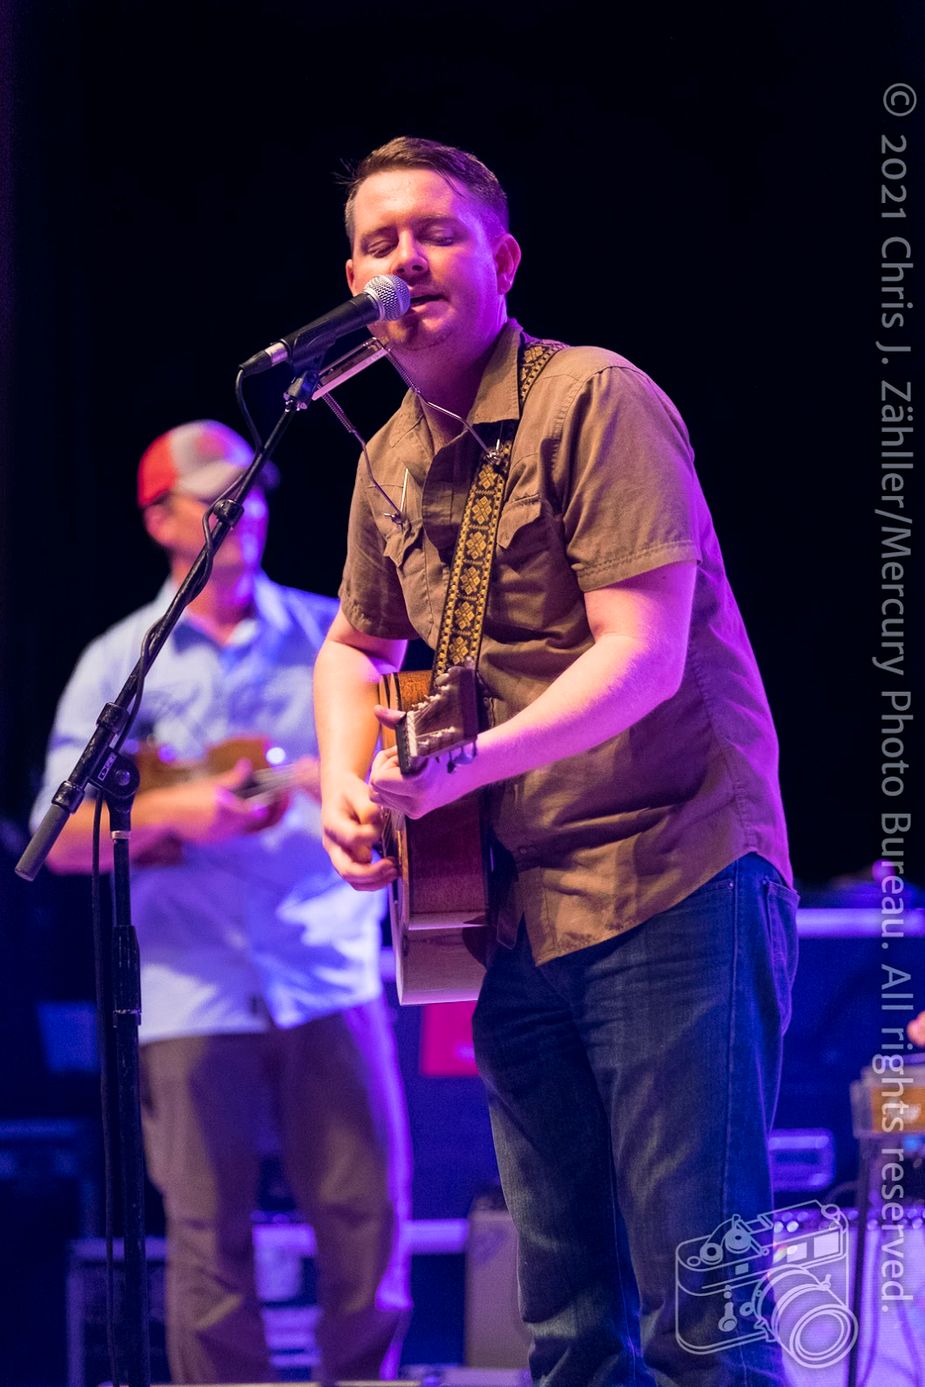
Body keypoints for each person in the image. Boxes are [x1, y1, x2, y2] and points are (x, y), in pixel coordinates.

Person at [313, 137, 799, 1387]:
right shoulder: (386, 457)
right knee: (568, 1328)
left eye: (432, 233)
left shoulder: (594, 398)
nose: (401, 260)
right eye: (376, 242)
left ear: (502, 260)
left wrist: (462, 767)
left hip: (671, 871)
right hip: (513, 908)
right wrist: (339, 783)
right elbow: (350, 646)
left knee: (704, 1316)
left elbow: (640, 655)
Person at [33, 420, 411, 1385]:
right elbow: (54, 837)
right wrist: (178, 816)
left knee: (368, 1229)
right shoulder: (119, 664)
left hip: (324, 971)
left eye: (247, 490)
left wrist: (328, 779)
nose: (234, 511)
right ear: (160, 518)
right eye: (210, 494)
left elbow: (406, 768)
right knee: (207, 1244)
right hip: (189, 988)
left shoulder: (338, 637)